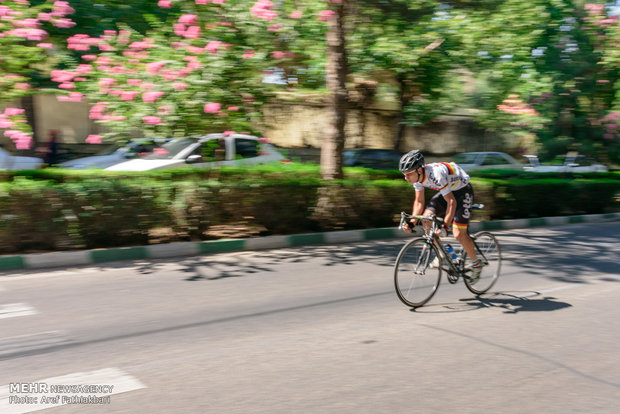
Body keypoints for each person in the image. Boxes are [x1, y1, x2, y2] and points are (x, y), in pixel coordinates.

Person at [399, 149, 484, 282]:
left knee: (458, 234)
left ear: (419, 170)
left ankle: (476, 264)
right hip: (448, 191)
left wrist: (445, 226)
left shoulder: (436, 175)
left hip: (463, 192)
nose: (406, 178)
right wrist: (412, 222)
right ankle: (441, 253)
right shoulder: (417, 179)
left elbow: (452, 202)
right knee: (426, 218)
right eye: (404, 174)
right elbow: (419, 202)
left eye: (408, 174)